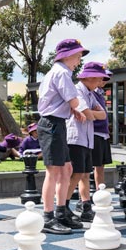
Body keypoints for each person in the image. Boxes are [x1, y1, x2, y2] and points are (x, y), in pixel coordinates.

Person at [37, 38, 87, 234]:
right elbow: (73, 99)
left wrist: (74, 109)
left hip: (57, 124)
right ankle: (48, 217)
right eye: (77, 57)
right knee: (54, 172)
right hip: (52, 124)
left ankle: (60, 211)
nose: (78, 61)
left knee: (66, 169)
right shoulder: (61, 73)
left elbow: (64, 101)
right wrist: (81, 110)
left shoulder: (59, 72)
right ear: (66, 56)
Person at [64, 62, 109, 225]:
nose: (100, 83)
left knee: (81, 174)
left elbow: (102, 115)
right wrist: (92, 114)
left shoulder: (90, 94)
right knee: (74, 175)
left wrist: (92, 114)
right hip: (76, 138)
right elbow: (88, 114)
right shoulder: (77, 91)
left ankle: (71, 206)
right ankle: (62, 207)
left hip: (86, 139)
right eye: (98, 79)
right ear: (89, 77)